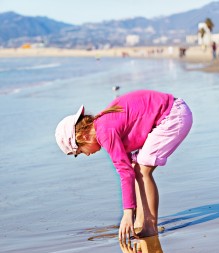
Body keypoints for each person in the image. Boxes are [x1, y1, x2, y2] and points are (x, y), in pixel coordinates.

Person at [55, 90, 193, 242]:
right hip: (173, 111)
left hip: (173, 116)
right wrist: (132, 214)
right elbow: (128, 169)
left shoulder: (105, 132)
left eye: (80, 151)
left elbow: (125, 173)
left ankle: (150, 226)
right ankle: (140, 222)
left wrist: (127, 213)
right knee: (136, 167)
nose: (86, 155)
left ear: (83, 137)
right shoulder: (103, 124)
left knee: (142, 170)